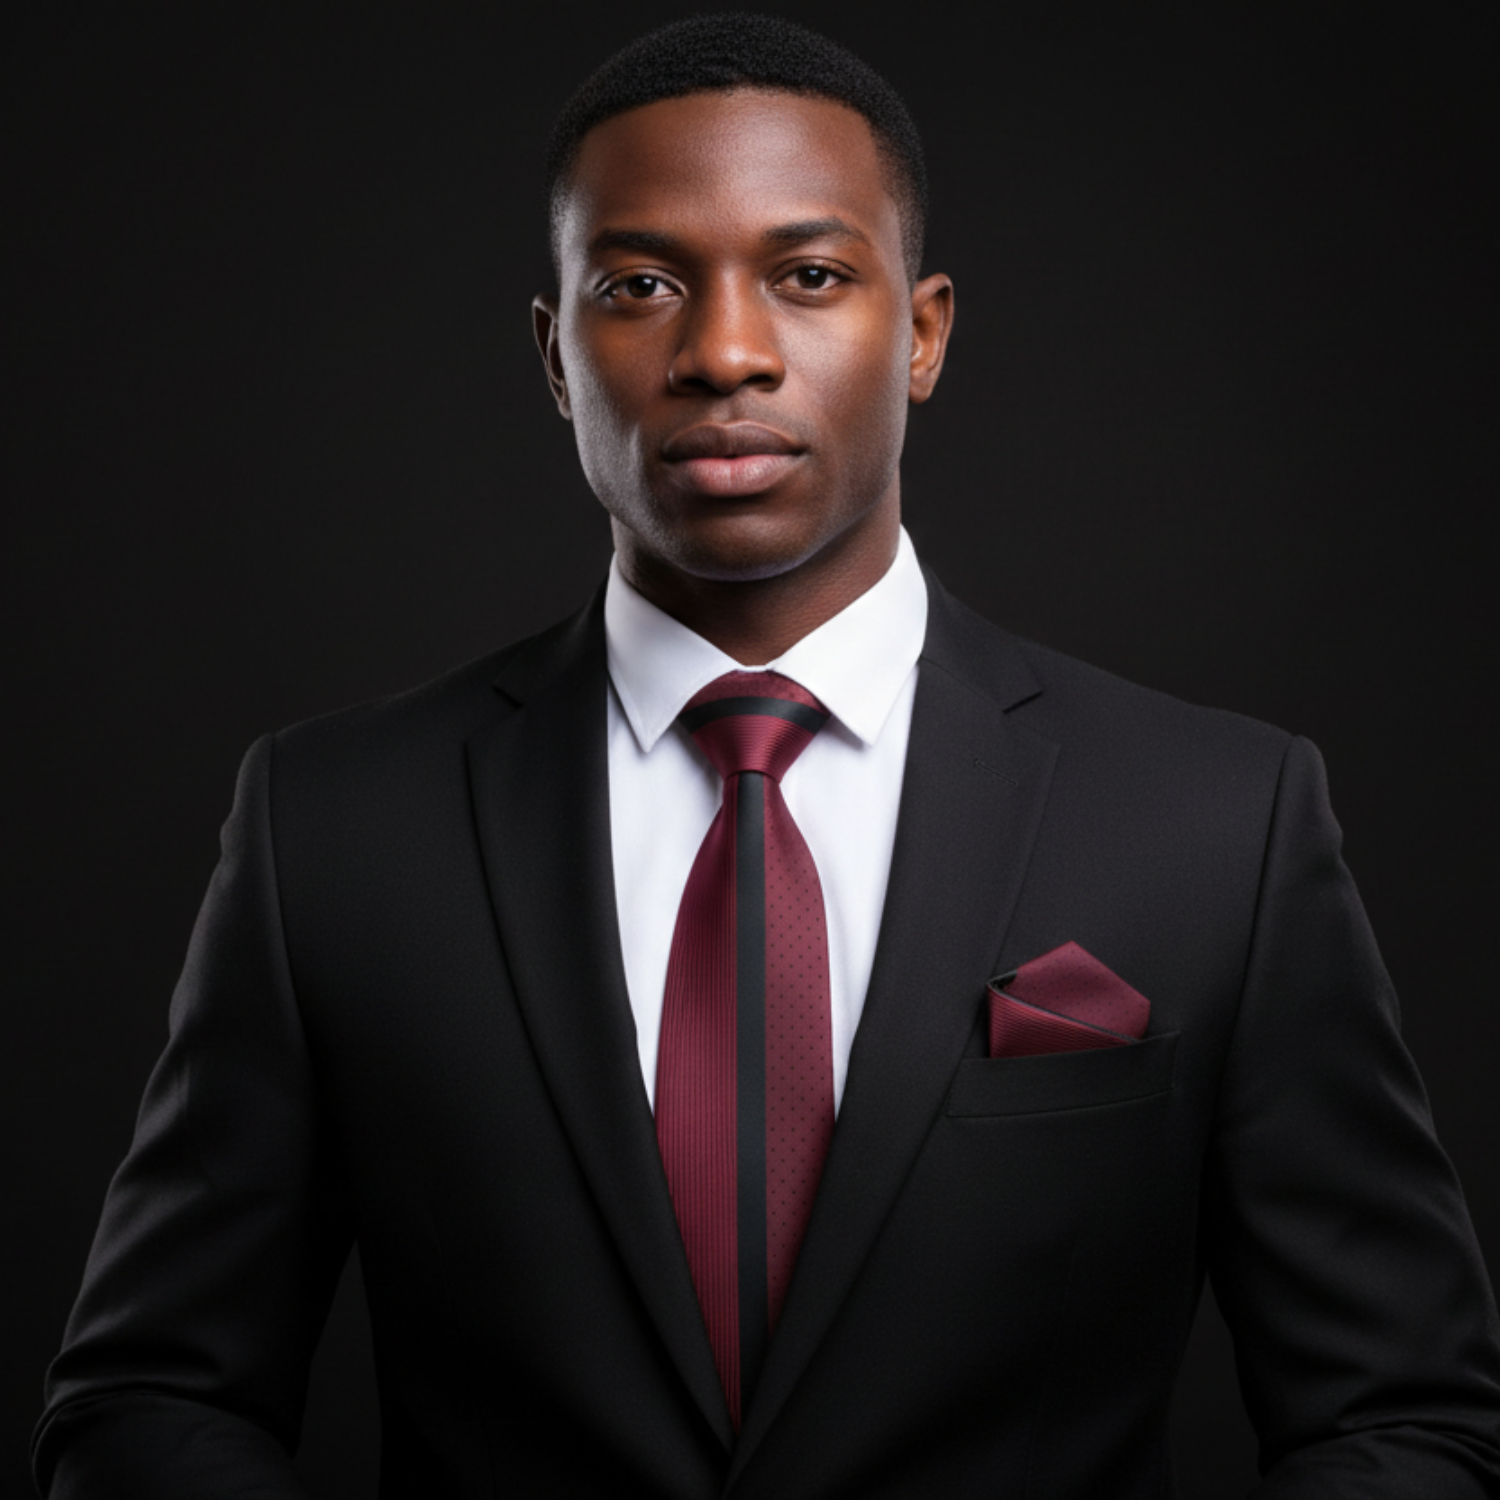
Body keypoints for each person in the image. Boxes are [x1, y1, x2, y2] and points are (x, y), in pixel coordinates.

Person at [34, 13, 1500, 1498]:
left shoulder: (1217, 823)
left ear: (921, 333)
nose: (725, 352)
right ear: (555, 354)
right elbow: (152, 1398)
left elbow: (1401, 1418)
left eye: (808, 277)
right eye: (641, 284)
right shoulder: (333, 828)